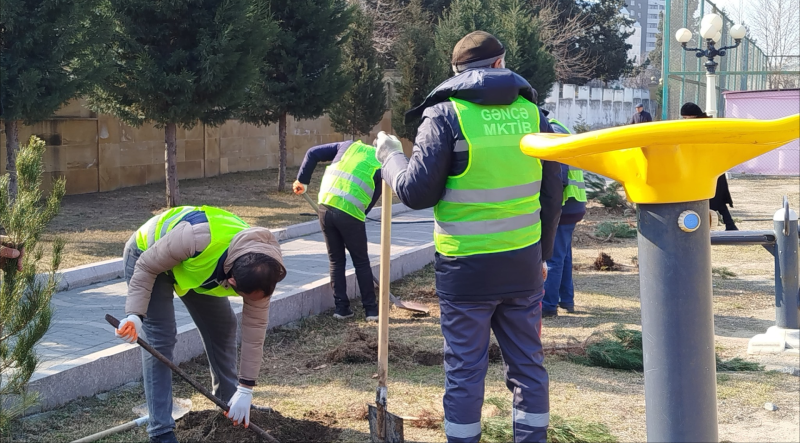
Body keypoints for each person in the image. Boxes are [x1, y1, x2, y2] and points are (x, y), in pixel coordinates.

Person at [375, 30, 562, 443]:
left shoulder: (445, 115)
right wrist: (544, 256)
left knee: (464, 370)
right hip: (523, 264)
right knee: (528, 367)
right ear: (499, 64)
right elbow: (553, 192)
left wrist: (390, 156)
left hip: (465, 270)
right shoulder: (533, 115)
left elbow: (416, 192)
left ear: (456, 73)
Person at [115, 206, 287, 443]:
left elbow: (255, 330)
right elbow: (146, 266)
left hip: (194, 265)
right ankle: (161, 431)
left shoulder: (265, 267)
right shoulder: (197, 239)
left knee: (223, 326)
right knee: (161, 339)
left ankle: (229, 400)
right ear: (231, 280)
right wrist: (135, 315)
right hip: (148, 255)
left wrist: (246, 389)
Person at [292, 139, 381, 321]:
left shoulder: (348, 146)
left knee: (336, 261)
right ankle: (371, 311)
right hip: (350, 213)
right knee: (361, 262)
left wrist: (302, 180)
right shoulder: (382, 163)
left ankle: (341, 309)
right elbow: (373, 197)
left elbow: (312, 152)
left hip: (325, 207)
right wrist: (357, 218)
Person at [541, 118, 587, 318]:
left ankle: (547, 305)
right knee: (564, 255)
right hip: (571, 204)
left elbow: (560, 177)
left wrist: (548, 208)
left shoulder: (552, 130)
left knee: (553, 257)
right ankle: (566, 300)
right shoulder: (558, 126)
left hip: (564, 205)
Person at [680, 102, 738, 231]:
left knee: (710, 196)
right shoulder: (705, 124)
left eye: (686, 117)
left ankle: (725, 225)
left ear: (693, 116)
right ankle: (729, 225)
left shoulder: (702, 126)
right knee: (716, 197)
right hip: (712, 166)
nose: (684, 120)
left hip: (707, 166)